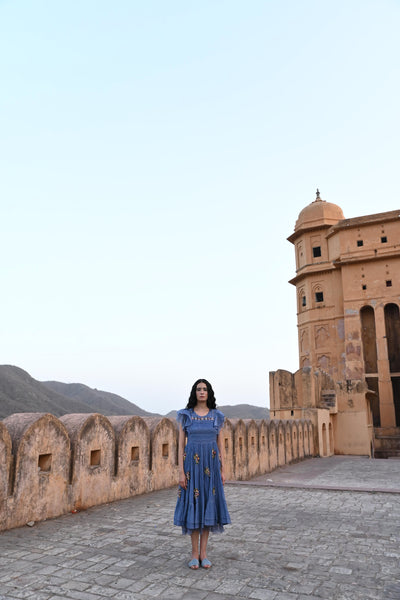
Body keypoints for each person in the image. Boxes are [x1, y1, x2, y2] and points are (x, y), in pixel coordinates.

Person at [173, 378, 231, 569]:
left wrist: (223, 469)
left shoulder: (216, 416)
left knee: (207, 507)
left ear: (209, 392)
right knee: (194, 507)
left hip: (211, 468)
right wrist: (181, 472)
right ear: (194, 392)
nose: (201, 392)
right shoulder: (186, 415)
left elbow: (220, 444)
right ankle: (194, 554)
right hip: (192, 468)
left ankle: (204, 554)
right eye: (198, 389)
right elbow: (181, 445)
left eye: (204, 389)